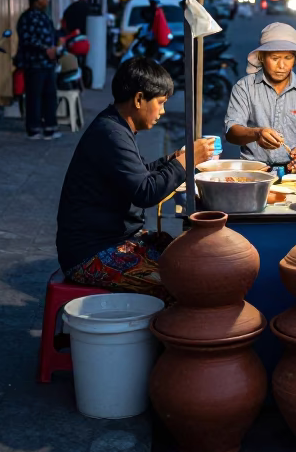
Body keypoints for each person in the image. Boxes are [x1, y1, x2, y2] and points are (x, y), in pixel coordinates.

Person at [56, 56, 214, 295]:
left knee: (186, 257)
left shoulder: (116, 127)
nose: (162, 111)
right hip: (90, 253)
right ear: (139, 99)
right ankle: (160, 331)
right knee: (182, 282)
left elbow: (140, 173)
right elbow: (146, 192)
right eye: (160, 103)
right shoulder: (111, 133)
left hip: (114, 240)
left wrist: (174, 158)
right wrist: (186, 161)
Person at [224, 22, 296, 173]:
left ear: (294, 59)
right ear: (262, 57)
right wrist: (257, 133)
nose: (282, 65)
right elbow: (232, 132)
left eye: (288, 58)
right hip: (254, 172)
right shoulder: (244, 87)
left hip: (295, 173)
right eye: (275, 57)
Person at [16, 0, 61, 140]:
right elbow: (27, 39)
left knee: (50, 96)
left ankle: (50, 127)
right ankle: (33, 128)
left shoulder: (44, 17)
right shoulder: (27, 18)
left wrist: (55, 49)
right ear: (35, 0)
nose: (47, 0)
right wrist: (44, 49)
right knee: (34, 97)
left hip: (48, 64)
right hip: (34, 64)